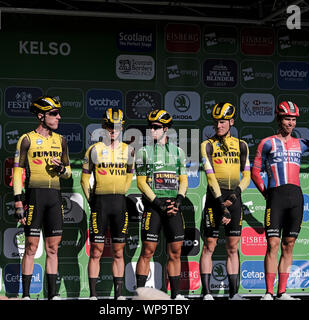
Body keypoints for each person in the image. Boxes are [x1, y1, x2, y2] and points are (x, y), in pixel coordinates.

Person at [251, 101, 309, 300]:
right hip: (276, 197)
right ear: (278, 119)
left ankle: (282, 292)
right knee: (272, 244)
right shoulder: (267, 142)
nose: (290, 123)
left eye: (293, 119)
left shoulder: (302, 143)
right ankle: (268, 292)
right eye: (286, 119)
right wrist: (267, 193)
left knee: (288, 244)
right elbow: (255, 172)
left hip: (296, 197)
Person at [12, 96, 71, 300]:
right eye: (54, 114)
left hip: (54, 197)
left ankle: (53, 295)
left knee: (53, 247)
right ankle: (26, 295)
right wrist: (18, 201)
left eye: (58, 113)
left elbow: (69, 173)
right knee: (31, 247)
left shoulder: (61, 140)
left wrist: (62, 168)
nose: (58, 117)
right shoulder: (26, 139)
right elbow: (17, 171)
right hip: (34, 196)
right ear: (41, 116)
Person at [80, 108, 134, 300]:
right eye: (110, 126)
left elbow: (129, 175)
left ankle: (118, 296)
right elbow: (84, 180)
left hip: (119, 203)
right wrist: (91, 200)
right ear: (104, 127)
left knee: (119, 251)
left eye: (117, 127)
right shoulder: (94, 150)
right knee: (96, 250)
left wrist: (122, 191)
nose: (113, 130)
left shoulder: (128, 150)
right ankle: (93, 295)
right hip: (100, 204)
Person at [135, 109, 188, 300]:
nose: (152, 131)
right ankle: (140, 295)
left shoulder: (179, 152)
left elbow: (183, 180)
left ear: (166, 129)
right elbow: (141, 182)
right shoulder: (143, 151)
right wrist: (158, 203)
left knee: (175, 252)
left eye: (156, 127)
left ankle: (176, 295)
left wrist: (179, 201)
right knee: (147, 251)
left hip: (173, 205)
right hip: (153, 207)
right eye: (150, 127)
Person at [199, 103, 251, 300]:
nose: (218, 125)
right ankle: (206, 293)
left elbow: (246, 176)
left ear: (231, 121)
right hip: (215, 198)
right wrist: (222, 203)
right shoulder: (207, 144)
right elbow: (210, 177)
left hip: (234, 197)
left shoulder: (242, 145)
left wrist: (235, 194)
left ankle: (234, 294)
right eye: (216, 122)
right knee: (209, 245)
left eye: (222, 121)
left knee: (232, 247)